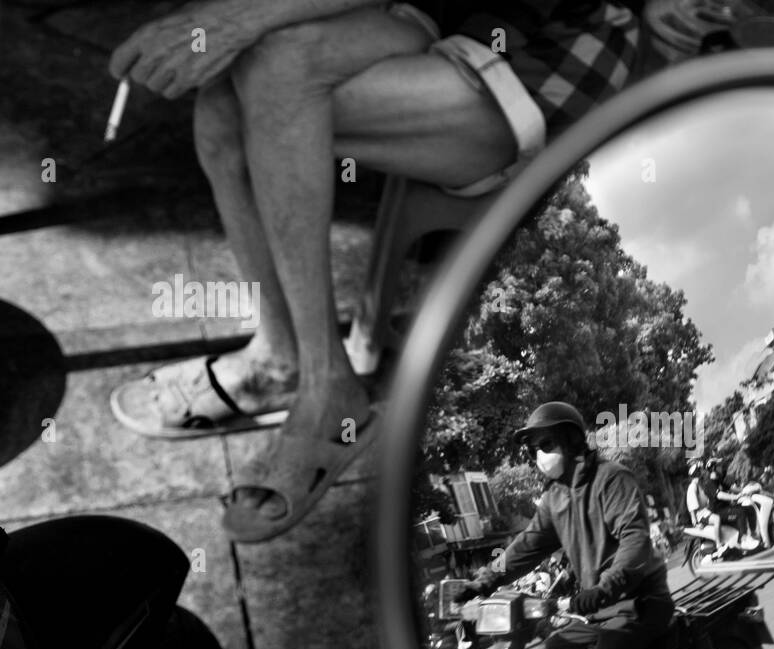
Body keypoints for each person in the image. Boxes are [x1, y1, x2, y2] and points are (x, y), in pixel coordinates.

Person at [105, 0, 645, 542]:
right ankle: (278, 357)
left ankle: (328, 390)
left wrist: (236, 18)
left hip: (544, 43)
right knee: (226, 93)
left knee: (272, 78)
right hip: (444, 11)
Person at [464, 401, 672, 649]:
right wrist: (483, 581)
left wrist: (605, 588)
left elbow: (635, 541)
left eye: (546, 445)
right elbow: (526, 545)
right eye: (534, 449)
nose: (539, 456)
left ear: (572, 440)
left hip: (639, 602)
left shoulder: (611, 479)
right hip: (595, 610)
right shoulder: (554, 498)